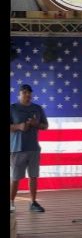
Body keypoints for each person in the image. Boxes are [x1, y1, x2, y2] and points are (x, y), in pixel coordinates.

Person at [10, 83, 48, 213]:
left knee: (33, 176)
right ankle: (11, 203)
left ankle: (33, 202)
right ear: (19, 94)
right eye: (24, 92)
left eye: (29, 93)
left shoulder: (38, 108)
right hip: (17, 148)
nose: (27, 95)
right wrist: (18, 127)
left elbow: (45, 126)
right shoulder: (13, 108)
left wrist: (35, 124)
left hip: (33, 148)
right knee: (15, 177)